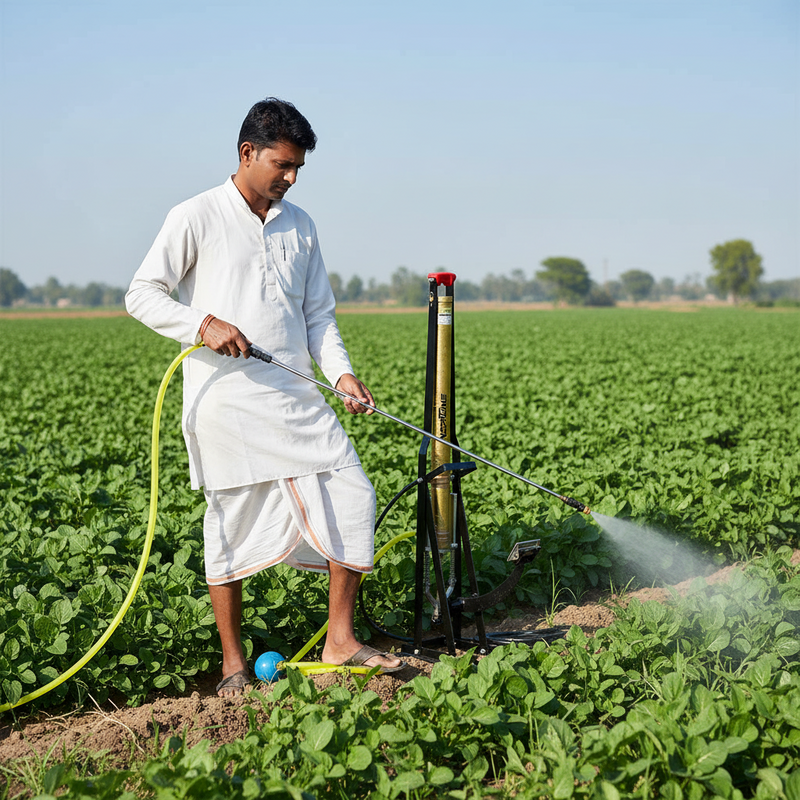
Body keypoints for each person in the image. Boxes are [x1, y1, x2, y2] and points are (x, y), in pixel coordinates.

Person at [126, 97, 402, 696]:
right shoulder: (194, 215)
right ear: (247, 153)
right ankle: (232, 666)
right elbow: (142, 293)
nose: (290, 177)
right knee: (228, 525)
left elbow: (319, 316)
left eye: (298, 167)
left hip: (298, 398)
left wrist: (343, 374)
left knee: (354, 496)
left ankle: (341, 640)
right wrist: (203, 326)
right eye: (281, 164)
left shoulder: (300, 224)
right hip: (226, 404)